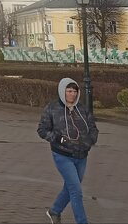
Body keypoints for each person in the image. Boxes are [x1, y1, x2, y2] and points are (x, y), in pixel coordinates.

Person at [37, 78, 99, 224]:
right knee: (76, 191)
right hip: (62, 155)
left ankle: (54, 211)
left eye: (75, 91)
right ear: (62, 91)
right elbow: (42, 130)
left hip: (82, 155)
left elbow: (93, 128)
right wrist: (57, 139)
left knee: (70, 187)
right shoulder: (52, 108)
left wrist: (90, 141)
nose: (72, 94)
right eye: (69, 91)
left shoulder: (82, 109)